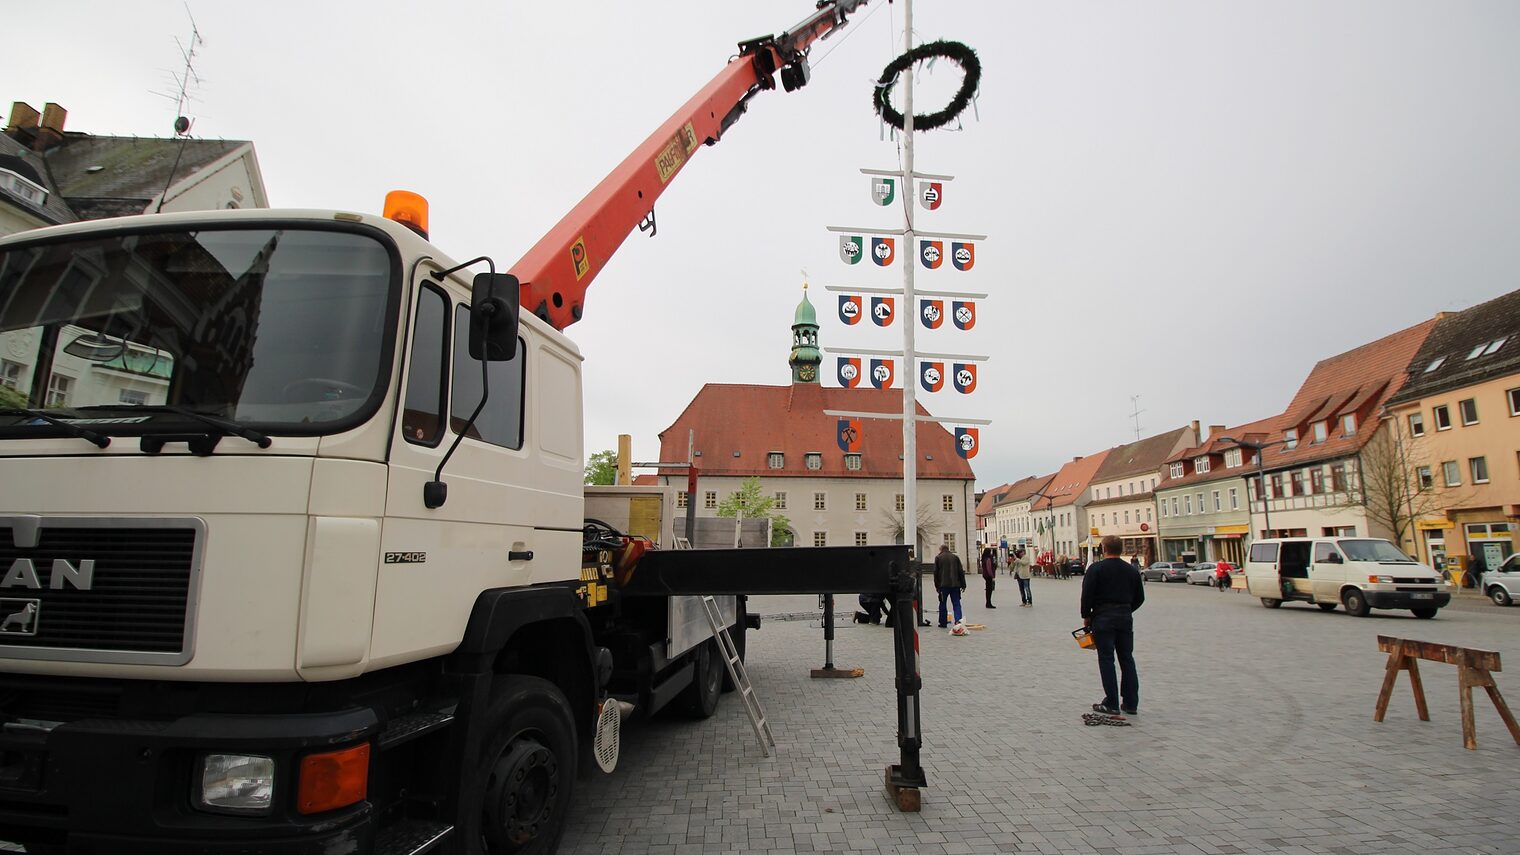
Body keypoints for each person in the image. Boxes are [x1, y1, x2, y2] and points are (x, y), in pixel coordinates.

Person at [1081, 534, 1144, 716]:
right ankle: (1131, 702)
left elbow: (1087, 595)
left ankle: (1112, 702)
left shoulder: (1096, 569)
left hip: (1102, 617)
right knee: (1127, 658)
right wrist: (1126, 609)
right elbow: (1140, 597)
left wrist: (1087, 616)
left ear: (1104, 549)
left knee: (1107, 659)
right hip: (1124, 617)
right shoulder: (1131, 570)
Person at [934, 544, 966, 628]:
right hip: (955, 585)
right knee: (956, 604)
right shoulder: (955, 557)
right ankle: (958, 621)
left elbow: (936, 573)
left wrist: (937, 586)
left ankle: (943, 622)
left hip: (943, 585)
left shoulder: (938, 558)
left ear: (941, 550)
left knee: (942, 603)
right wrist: (963, 584)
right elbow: (960, 572)